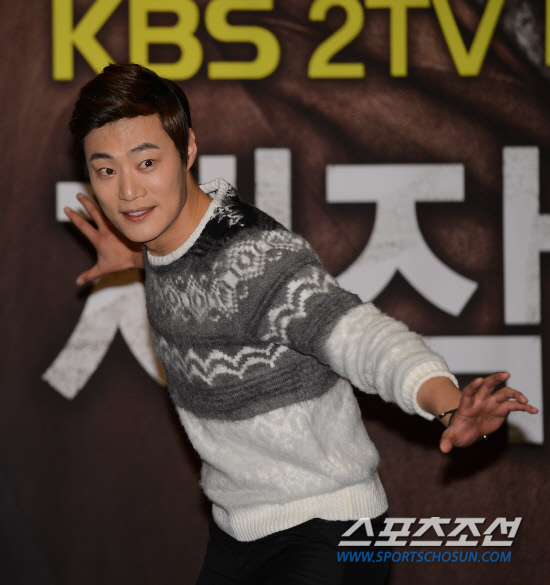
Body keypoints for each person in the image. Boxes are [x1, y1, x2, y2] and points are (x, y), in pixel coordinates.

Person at [64, 62, 537, 585]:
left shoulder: (254, 259)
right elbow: (196, 273)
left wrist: (447, 403)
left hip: (326, 529)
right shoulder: (169, 241)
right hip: (237, 529)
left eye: (147, 162)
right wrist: (137, 257)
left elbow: (359, 335)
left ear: (188, 149)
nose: (128, 192)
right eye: (106, 171)